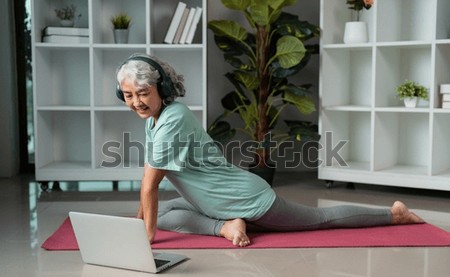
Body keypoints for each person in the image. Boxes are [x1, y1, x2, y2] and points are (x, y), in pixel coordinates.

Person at [115, 53, 424, 247]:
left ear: (162, 90)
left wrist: (146, 237)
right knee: (166, 212)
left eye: (143, 93)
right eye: (128, 95)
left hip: (247, 198)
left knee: (320, 219)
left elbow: (151, 183)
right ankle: (225, 226)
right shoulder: (154, 119)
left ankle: (394, 214)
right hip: (215, 201)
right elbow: (147, 179)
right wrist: (139, 221)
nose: (136, 102)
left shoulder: (174, 118)